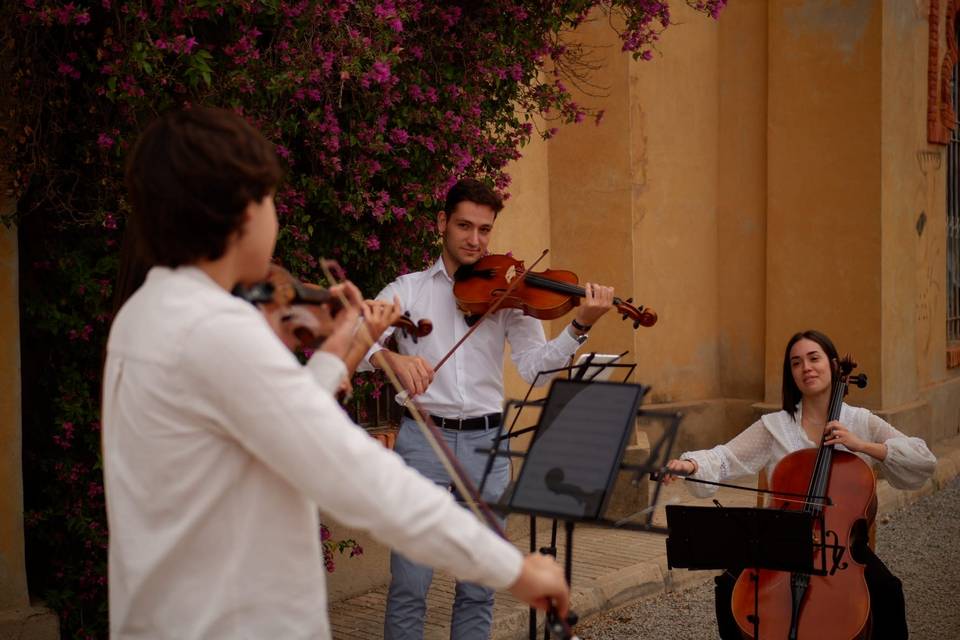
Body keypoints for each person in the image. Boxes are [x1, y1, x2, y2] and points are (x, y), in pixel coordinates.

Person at [102, 107, 571, 639]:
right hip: (229, 622)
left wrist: (336, 352)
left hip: (169, 618)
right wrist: (513, 568)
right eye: (270, 200)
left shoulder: (144, 315)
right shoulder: (218, 330)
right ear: (241, 213)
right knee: (411, 587)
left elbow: (279, 426)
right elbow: (354, 473)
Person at [361, 178, 616, 640]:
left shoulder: (508, 293)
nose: (475, 240)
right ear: (442, 223)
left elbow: (537, 369)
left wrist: (580, 325)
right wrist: (390, 358)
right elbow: (358, 335)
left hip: (487, 444)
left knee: (479, 586)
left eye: (484, 229)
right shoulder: (409, 289)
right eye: (464, 226)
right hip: (424, 442)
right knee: (410, 584)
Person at [663, 329, 937, 640]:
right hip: (782, 543)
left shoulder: (862, 421)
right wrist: (691, 465)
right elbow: (725, 457)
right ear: (790, 374)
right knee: (727, 586)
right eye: (796, 363)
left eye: (813, 358)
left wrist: (862, 445)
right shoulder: (776, 426)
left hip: (841, 549)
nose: (806, 367)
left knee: (888, 591)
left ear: (834, 366)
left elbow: (923, 459)